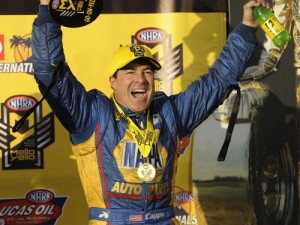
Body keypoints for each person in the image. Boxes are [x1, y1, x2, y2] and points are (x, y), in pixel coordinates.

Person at [32, 0, 270, 224]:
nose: (141, 80)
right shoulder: (92, 114)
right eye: (130, 72)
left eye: (147, 72)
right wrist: (47, 10)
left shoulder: (170, 112)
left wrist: (247, 28)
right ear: (113, 81)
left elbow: (218, 82)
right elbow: (51, 74)